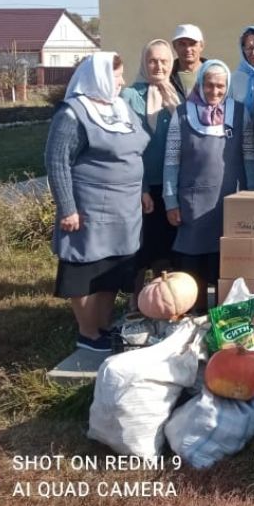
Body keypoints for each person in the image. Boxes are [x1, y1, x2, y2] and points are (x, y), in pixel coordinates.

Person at [45, 52, 148, 351]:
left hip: (123, 207)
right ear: (99, 77)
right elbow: (57, 161)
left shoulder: (121, 108)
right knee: (85, 269)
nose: (121, 82)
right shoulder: (73, 113)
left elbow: (135, 151)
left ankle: (103, 327)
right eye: (116, 76)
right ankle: (87, 332)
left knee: (111, 269)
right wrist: (67, 207)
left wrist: (140, 191)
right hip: (89, 208)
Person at [163, 60, 254, 309]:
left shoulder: (239, 112)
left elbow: (249, 157)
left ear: (227, 87)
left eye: (220, 86)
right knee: (194, 273)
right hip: (192, 205)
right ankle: (196, 316)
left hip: (229, 204)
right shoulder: (182, 113)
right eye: (209, 85)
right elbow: (171, 162)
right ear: (200, 84)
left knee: (225, 267)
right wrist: (170, 201)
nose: (214, 91)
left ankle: (223, 321)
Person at [120, 39, 181, 290]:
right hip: (141, 185)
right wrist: (142, 187)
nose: (158, 66)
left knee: (164, 248)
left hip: (170, 186)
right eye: (153, 61)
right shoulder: (130, 96)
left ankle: (161, 298)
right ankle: (135, 304)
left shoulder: (177, 96)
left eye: (164, 61)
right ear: (144, 63)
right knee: (139, 249)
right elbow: (128, 147)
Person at [170, 24, 207, 97]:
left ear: (201, 46)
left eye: (192, 44)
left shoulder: (216, 72)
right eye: (182, 44)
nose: (187, 49)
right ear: (174, 46)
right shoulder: (167, 75)